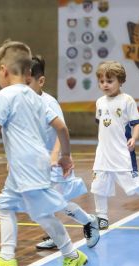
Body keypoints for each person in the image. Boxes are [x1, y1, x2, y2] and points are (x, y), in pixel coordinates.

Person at [0, 40, 87, 266]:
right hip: (30, 163)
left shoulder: (5, 95)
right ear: (29, 72)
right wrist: (65, 155)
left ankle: (73, 255)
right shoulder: (36, 97)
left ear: (3, 70)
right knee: (5, 205)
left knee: (41, 214)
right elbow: (62, 128)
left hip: (27, 164)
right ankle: (7, 257)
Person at [28, 55, 99, 250]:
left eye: (28, 82)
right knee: (40, 204)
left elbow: (61, 132)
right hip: (36, 163)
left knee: (56, 203)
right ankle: (56, 234)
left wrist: (55, 156)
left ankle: (89, 221)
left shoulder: (49, 103)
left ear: (40, 81)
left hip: (56, 162)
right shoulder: (24, 103)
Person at [92, 60, 139, 229]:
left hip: (122, 153)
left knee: (135, 185)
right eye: (102, 81)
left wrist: (134, 138)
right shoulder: (99, 102)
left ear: (120, 81)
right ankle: (101, 216)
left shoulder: (127, 100)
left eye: (110, 81)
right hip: (103, 153)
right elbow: (101, 124)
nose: (105, 85)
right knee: (98, 185)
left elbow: (137, 123)